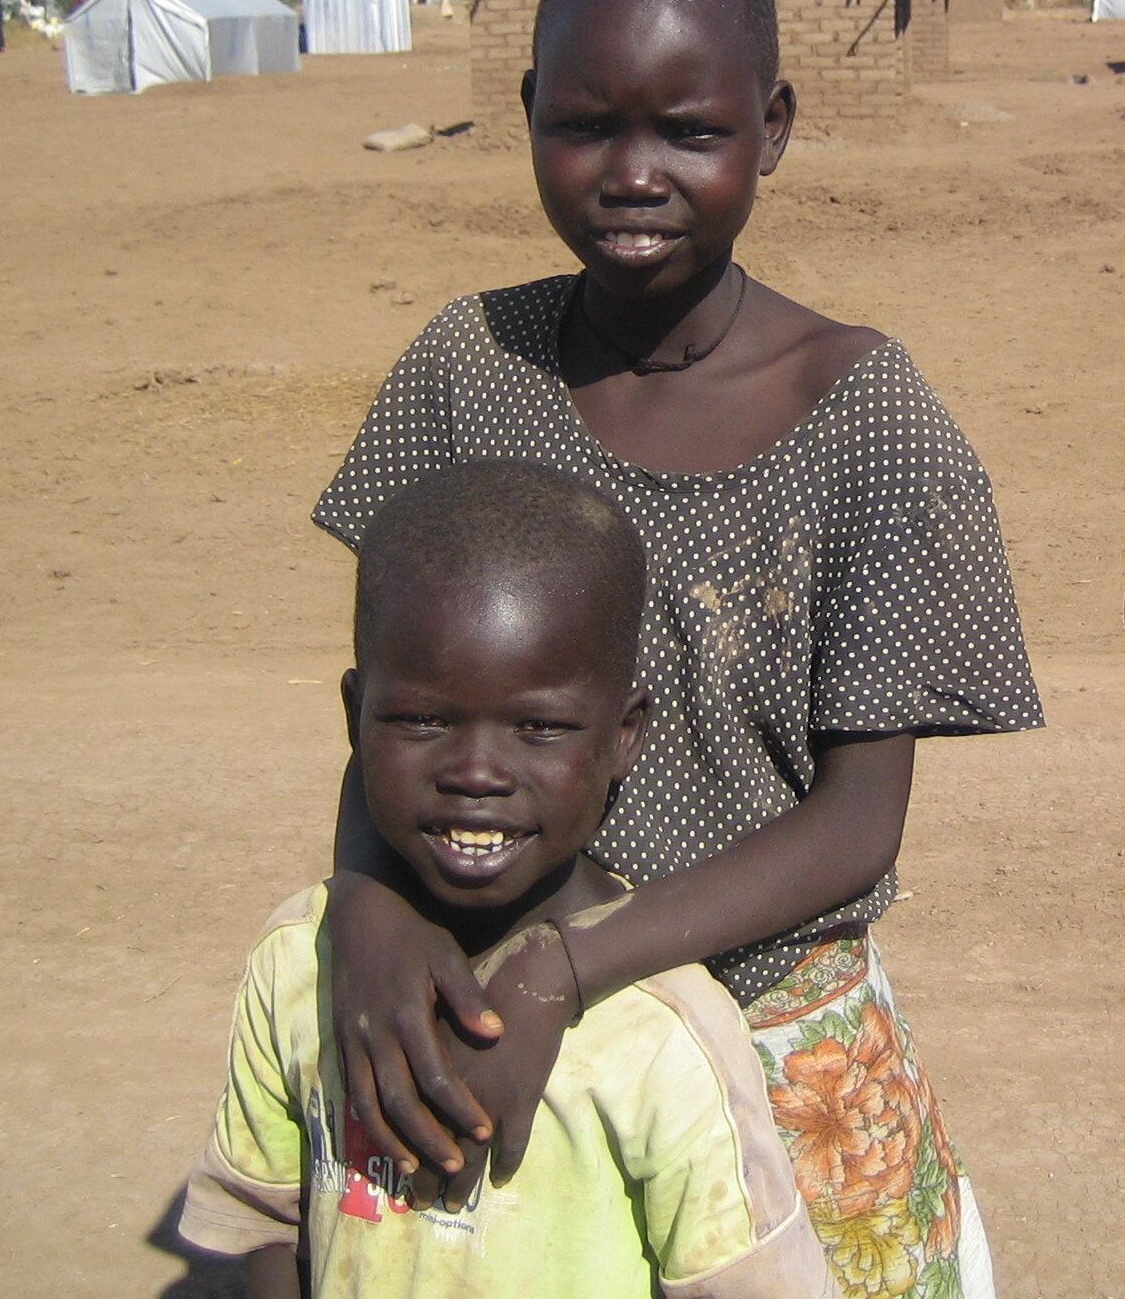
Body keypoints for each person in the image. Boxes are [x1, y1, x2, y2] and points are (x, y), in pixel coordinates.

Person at [311, 0, 1041, 1296]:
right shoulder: (467, 371)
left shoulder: (867, 419)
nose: (634, 173)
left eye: (691, 133)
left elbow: (857, 824)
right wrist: (364, 904)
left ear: (773, 128)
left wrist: (569, 968)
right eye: (586, 126)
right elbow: (392, 714)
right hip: (490, 1030)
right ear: (528, 112)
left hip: (770, 1039)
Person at [181, 462, 836, 1297]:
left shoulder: (662, 1037)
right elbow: (262, 1224)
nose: (477, 772)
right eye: (423, 719)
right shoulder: (297, 964)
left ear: (624, 736)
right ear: (354, 715)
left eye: (539, 727)